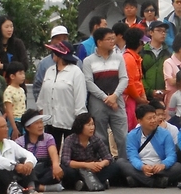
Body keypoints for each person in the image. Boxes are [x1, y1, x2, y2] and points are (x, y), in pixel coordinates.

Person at [82, 26, 129, 156]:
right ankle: (105, 162)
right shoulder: (88, 61)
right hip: (98, 102)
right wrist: (105, 97)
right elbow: (88, 82)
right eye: (108, 39)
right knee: (100, 137)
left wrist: (114, 96)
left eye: (113, 39)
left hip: (117, 100)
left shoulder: (119, 58)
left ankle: (124, 162)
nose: (112, 41)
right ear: (99, 42)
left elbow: (124, 78)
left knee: (123, 136)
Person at [118, 103, 181, 188]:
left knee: (178, 167)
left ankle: (139, 180)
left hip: (160, 169)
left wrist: (163, 165)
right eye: (149, 118)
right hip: (141, 168)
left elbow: (171, 155)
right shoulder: (132, 135)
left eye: (154, 117)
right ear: (139, 121)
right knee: (120, 163)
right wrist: (142, 167)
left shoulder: (165, 134)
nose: (153, 121)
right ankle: (156, 182)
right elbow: (132, 156)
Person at [37, 40, 87, 146]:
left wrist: (79, 121)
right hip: (50, 121)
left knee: (70, 152)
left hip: (69, 122)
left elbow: (80, 98)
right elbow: (42, 96)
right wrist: (42, 115)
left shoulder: (76, 72)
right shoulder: (50, 71)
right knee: (51, 150)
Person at [60, 112, 118, 191]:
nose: (92, 128)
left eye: (93, 124)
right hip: (78, 170)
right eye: (88, 125)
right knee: (65, 169)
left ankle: (83, 185)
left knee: (114, 166)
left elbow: (108, 157)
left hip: (94, 170)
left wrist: (100, 164)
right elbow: (66, 161)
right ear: (80, 126)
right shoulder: (70, 140)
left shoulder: (96, 139)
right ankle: (99, 183)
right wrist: (86, 165)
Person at [16, 110, 63, 193]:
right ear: (27, 127)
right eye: (36, 123)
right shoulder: (19, 142)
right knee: (21, 175)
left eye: (41, 122)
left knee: (62, 170)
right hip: (29, 171)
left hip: (43, 169)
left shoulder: (48, 138)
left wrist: (55, 165)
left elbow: (53, 153)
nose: (40, 126)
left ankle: (33, 186)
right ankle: (40, 187)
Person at [33, 25, 73, 101]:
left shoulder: (77, 62)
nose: (61, 42)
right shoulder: (44, 64)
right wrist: (41, 106)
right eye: (58, 39)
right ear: (51, 42)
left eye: (64, 38)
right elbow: (37, 87)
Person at [122, 26, 148, 130]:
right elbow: (130, 83)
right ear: (139, 42)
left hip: (136, 99)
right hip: (130, 100)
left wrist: (143, 96)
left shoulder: (134, 57)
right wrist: (139, 99)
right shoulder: (129, 58)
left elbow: (138, 81)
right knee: (132, 127)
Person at [141, 20, 171, 94]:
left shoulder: (168, 53)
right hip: (145, 94)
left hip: (164, 94)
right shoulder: (143, 52)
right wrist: (150, 92)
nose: (163, 33)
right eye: (159, 30)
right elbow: (139, 75)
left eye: (164, 31)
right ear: (151, 32)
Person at [2, 62, 27, 137]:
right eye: (20, 73)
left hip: (23, 119)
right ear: (12, 76)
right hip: (14, 121)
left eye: (23, 73)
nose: (23, 76)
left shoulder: (21, 90)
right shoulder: (8, 91)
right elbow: (9, 111)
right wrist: (14, 128)